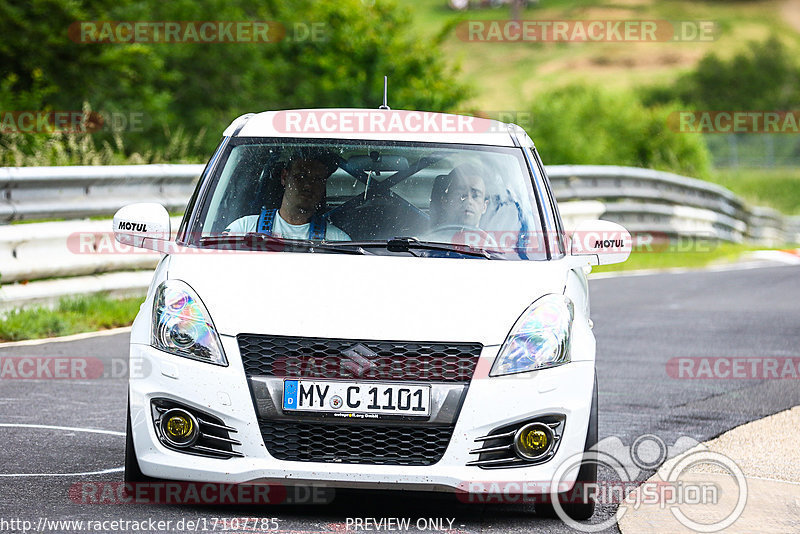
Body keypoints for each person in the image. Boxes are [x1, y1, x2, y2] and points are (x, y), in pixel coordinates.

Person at [224, 149, 350, 241]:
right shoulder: (242, 229)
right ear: (284, 177)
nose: (308, 185)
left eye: (317, 179)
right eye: (301, 176)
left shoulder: (338, 240)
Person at [429, 163, 489, 229]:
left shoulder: (498, 239)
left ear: (484, 206)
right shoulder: (425, 238)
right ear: (444, 201)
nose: (469, 200)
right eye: (461, 194)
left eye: (476, 196)